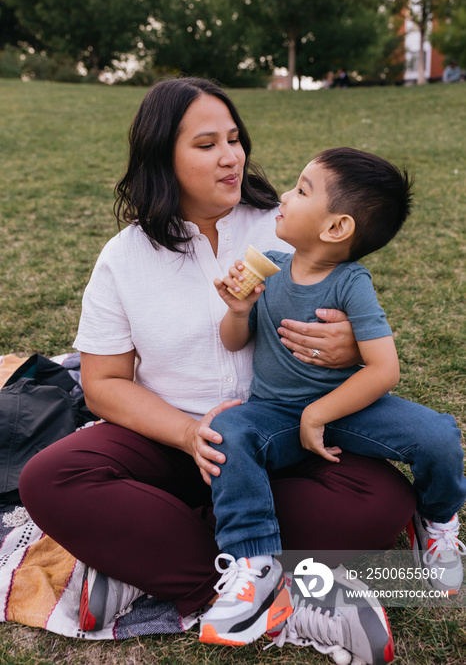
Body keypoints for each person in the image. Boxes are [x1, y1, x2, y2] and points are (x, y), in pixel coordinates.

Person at [18, 78, 416, 665]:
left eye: (234, 139)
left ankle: (151, 562)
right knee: (49, 478)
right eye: (206, 144)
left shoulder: (285, 227)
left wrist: (347, 347)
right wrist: (187, 434)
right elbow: (102, 384)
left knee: (384, 501)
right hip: (169, 444)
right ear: (163, 158)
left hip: (275, 438)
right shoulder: (124, 257)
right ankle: (278, 595)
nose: (232, 156)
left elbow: (362, 326)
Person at [202, 147, 466, 647]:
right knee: (228, 432)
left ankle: (437, 520)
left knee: (438, 436)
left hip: (348, 409)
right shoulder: (271, 269)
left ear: (336, 229)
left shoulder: (352, 284)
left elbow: (384, 368)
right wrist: (238, 310)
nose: (284, 195)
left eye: (302, 190)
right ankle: (254, 565)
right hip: (275, 412)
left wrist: (320, 412)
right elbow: (236, 341)